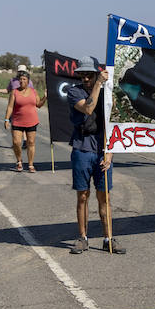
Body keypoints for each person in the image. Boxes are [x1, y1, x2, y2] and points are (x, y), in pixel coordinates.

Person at [67, 57, 118, 254]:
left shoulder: (107, 94)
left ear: (96, 74)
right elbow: (88, 108)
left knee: (104, 197)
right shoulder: (74, 92)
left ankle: (108, 238)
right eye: (83, 75)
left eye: (90, 75)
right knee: (83, 196)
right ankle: (83, 237)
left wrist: (110, 153)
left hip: (103, 151)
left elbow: (113, 124)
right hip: (82, 149)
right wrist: (98, 84)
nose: (86, 79)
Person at [5, 69, 47, 172]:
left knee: (31, 142)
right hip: (17, 121)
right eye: (20, 79)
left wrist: (45, 97)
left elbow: (39, 105)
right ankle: (19, 161)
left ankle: (31, 164)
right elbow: (10, 107)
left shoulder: (33, 91)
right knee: (16, 142)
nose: (22, 81)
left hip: (31, 121)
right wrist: (6, 119)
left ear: (28, 81)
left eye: (24, 79)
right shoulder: (14, 92)